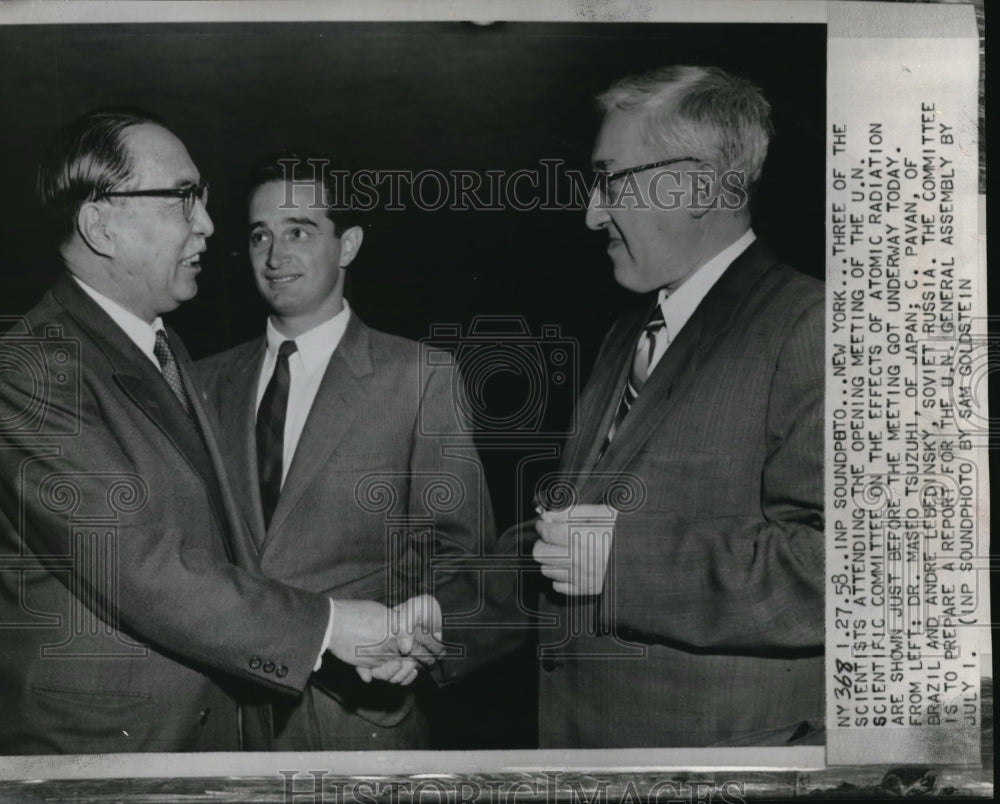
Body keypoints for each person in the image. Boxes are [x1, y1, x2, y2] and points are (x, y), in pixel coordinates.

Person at [0, 110, 428, 754]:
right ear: (100, 224)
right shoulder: (31, 369)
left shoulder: (164, 348)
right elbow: (139, 567)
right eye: (181, 199)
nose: (207, 223)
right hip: (106, 756)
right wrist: (329, 626)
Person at [529, 65, 825, 747]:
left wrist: (622, 561)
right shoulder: (626, 333)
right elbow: (568, 538)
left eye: (609, 180)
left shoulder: (812, 326)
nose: (591, 212)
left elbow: (843, 571)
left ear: (695, 186)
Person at [196, 150, 497, 749]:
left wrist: (413, 634)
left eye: (299, 232)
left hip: (357, 719)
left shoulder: (417, 376)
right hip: (220, 721)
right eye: (260, 237)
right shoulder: (202, 383)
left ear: (349, 245)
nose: (276, 257)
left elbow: (465, 557)